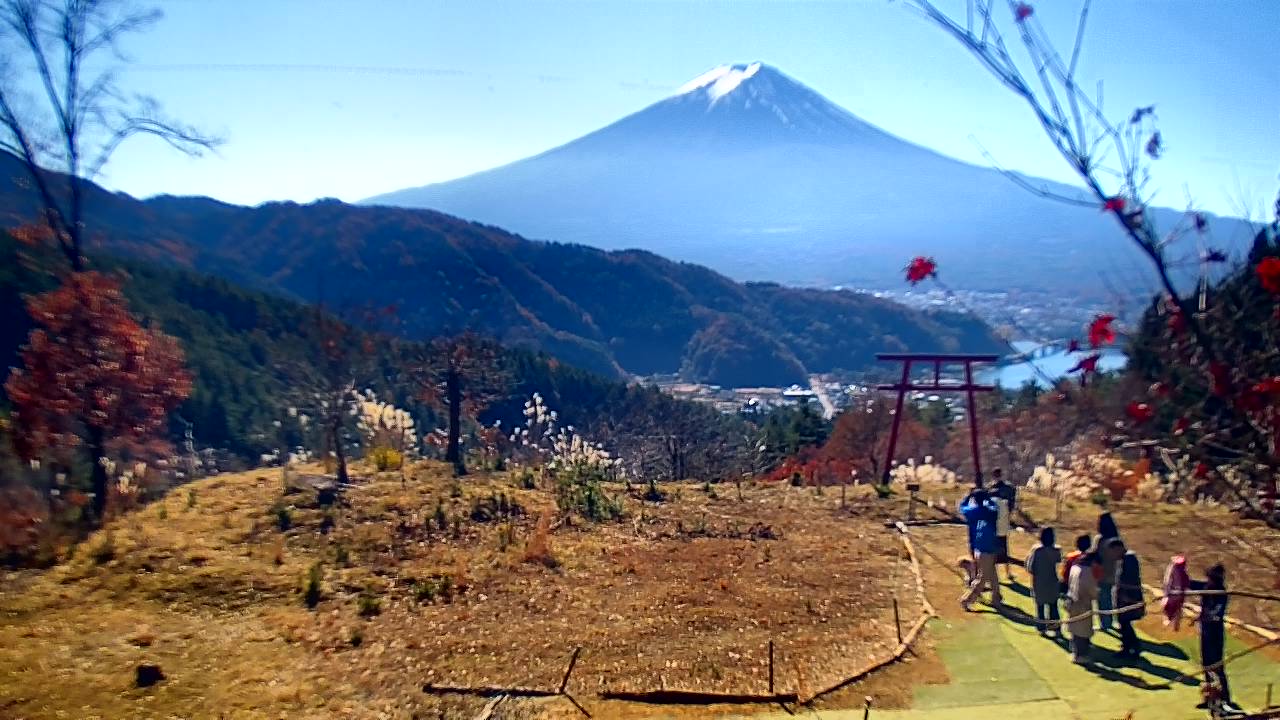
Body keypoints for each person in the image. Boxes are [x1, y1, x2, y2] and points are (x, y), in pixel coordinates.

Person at [1191, 563, 1243, 714]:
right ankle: (1210, 698)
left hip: (1215, 635)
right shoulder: (1207, 588)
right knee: (1206, 665)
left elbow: (1216, 614)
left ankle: (1225, 698)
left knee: (1217, 667)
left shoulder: (1221, 595)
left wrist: (1206, 617)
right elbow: (1190, 584)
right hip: (1205, 633)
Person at [959, 488, 1001, 611]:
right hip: (989, 548)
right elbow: (995, 507)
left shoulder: (973, 512)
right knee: (983, 578)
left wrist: (968, 497)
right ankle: (966, 600)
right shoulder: (991, 512)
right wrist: (988, 498)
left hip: (979, 548)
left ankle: (996, 597)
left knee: (992, 574)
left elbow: (962, 507)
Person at [1108, 538, 1145, 660]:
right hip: (1124, 596)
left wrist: (1125, 595)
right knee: (1124, 623)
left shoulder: (1129, 559)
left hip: (1128, 597)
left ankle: (1131, 648)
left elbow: (1130, 580)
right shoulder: (1126, 558)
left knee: (1125, 622)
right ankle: (1128, 646)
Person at [1066, 546, 1101, 664]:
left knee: (1075, 629)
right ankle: (1081, 655)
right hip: (1083, 604)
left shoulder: (1075, 567)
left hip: (1072, 600)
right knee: (1082, 631)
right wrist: (1096, 594)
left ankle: (1075, 652)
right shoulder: (1087, 572)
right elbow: (1091, 590)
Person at [1025, 526, 1062, 637]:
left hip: (1039, 582)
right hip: (1052, 581)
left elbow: (1030, 567)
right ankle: (1055, 627)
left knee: (1040, 606)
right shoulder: (1056, 550)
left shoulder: (1037, 551)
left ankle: (1041, 627)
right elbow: (1058, 560)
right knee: (1053, 606)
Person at [1095, 512, 1121, 631]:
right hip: (1113, 572)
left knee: (1102, 599)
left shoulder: (1100, 539)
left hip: (1101, 573)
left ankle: (1104, 623)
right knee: (1110, 598)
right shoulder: (1116, 539)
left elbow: (1096, 555)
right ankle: (1111, 620)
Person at [991, 469, 1017, 581]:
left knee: (993, 551)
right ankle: (1008, 573)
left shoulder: (990, 491)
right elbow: (1012, 503)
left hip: (993, 527)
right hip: (1003, 525)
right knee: (1004, 549)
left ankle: (995, 574)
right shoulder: (1008, 491)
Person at [1162, 554, 1191, 630]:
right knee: (1175, 608)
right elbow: (1168, 582)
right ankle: (1173, 623)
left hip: (1175, 592)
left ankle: (1172, 622)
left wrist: (1166, 594)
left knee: (1173, 608)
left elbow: (1168, 581)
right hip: (1177, 593)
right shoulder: (1178, 570)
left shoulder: (1175, 569)